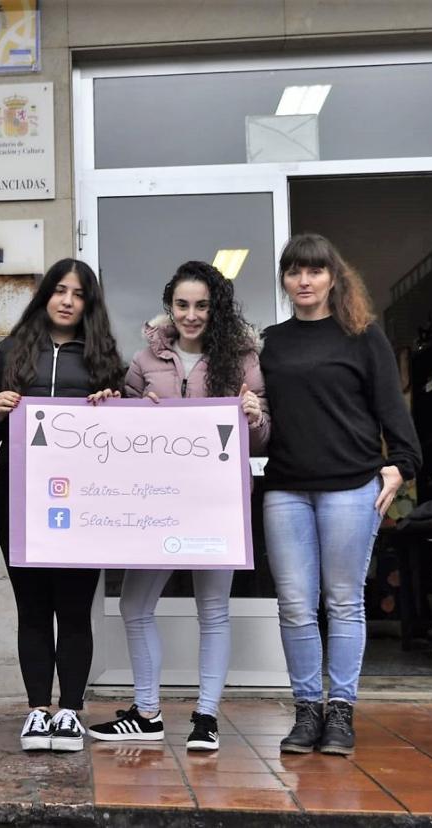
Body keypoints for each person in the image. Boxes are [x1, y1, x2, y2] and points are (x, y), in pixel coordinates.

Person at [86, 260, 269, 752]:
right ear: (170, 305)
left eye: (202, 306)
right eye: (183, 305)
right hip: (157, 505)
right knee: (134, 604)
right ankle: (146, 713)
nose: (191, 315)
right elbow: (119, 425)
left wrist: (254, 416)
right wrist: (112, 403)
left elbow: (260, 437)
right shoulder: (145, 359)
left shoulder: (244, 359)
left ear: (216, 309)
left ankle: (206, 717)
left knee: (214, 609)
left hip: (216, 504)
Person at [260, 233, 420, 755]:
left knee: (344, 603)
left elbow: (392, 410)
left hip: (351, 487)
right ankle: (308, 712)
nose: (303, 281)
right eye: (293, 272)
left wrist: (402, 464)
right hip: (285, 488)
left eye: (314, 271)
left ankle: (341, 713)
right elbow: (260, 416)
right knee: (295, 606)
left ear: (333, 277)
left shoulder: (362, 335)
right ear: (285, 280)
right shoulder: (274, 341)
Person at [0, 259, 126, 753]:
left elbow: (125, 436)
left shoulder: (106, 358)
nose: (67, 300)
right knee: (33, 608)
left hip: (84, 503)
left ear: (90, 304)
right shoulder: (10, 350)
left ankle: (71, 711)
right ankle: (38, 711)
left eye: (78, 293)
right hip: (19, 497)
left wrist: (114, 404)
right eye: (59, 290)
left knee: (75, 609)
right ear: (44, 295)